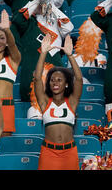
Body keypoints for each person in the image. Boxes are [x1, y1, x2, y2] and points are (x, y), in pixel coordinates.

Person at [35, 34, 82, 170]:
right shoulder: (45, 102)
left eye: (59, 80)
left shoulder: (72, 102)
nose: (55, 82)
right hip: (48, 153)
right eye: (52, 80)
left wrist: (70, 55)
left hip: (69, 153)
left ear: (66, 84)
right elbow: (37, 79)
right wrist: (43, 53)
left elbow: (78, 79)